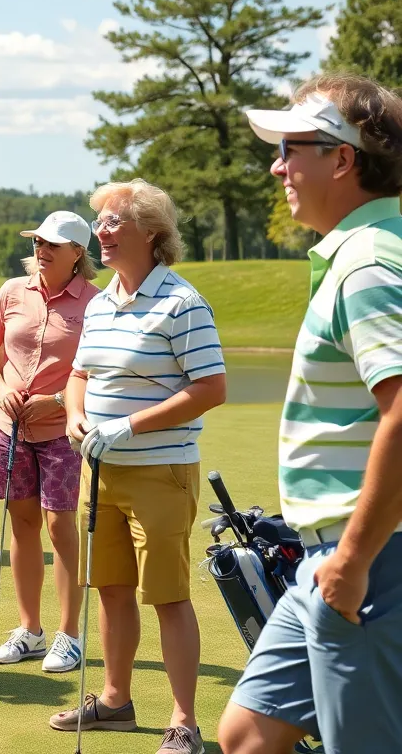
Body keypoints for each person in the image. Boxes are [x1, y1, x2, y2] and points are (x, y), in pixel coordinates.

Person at [218, 74, 402, 753]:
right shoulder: (363, 254)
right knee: (247, 736)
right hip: (337, 557)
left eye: (293, 148)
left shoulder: (369, 266)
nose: (277, 166)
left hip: (372, 559)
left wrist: (353, 562)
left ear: (344, 159)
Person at [47, 179, 227, 754]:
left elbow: (210, 388)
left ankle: (184, 723)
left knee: (168, 595)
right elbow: (80, 375)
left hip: (160, 470)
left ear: (151, 232)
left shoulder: (182, 301)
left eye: (113, 221)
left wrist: (131, 424)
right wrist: (76, 417)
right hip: (100, 471)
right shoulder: (100, 303)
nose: (101, 231)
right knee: (111, 588)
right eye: (99, 221)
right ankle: (117, 701)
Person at [0, 211, 100, 674]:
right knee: (22, 523)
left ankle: (69, 635)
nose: (41, 251)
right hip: (9, 428)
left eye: (52, 245)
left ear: (77, 254)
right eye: (38, 243)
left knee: (59, 527)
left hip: (62, 432)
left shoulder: (96, 303)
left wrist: (58, 401)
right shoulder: (12, 291)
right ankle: (30, 629)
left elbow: (100, 372)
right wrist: (2, 389)